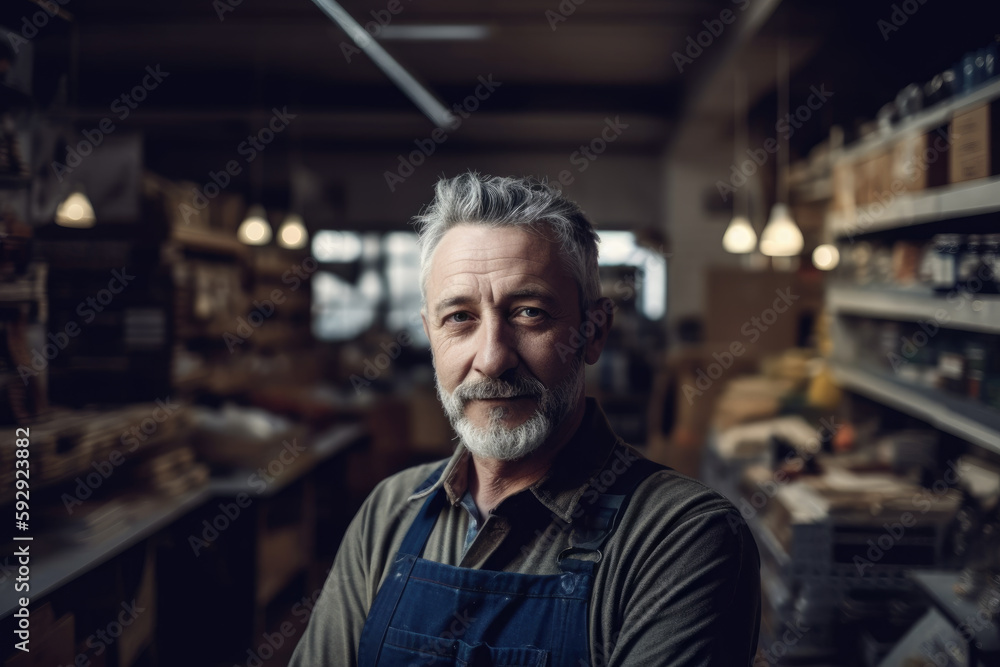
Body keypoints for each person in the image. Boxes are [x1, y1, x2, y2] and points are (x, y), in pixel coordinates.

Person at [291, 172, 761, 666]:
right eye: (460, 318)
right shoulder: (389, 512)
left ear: (594, 332)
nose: (492, 358)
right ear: (431, 337)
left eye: (529, 313)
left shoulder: (683, 539)